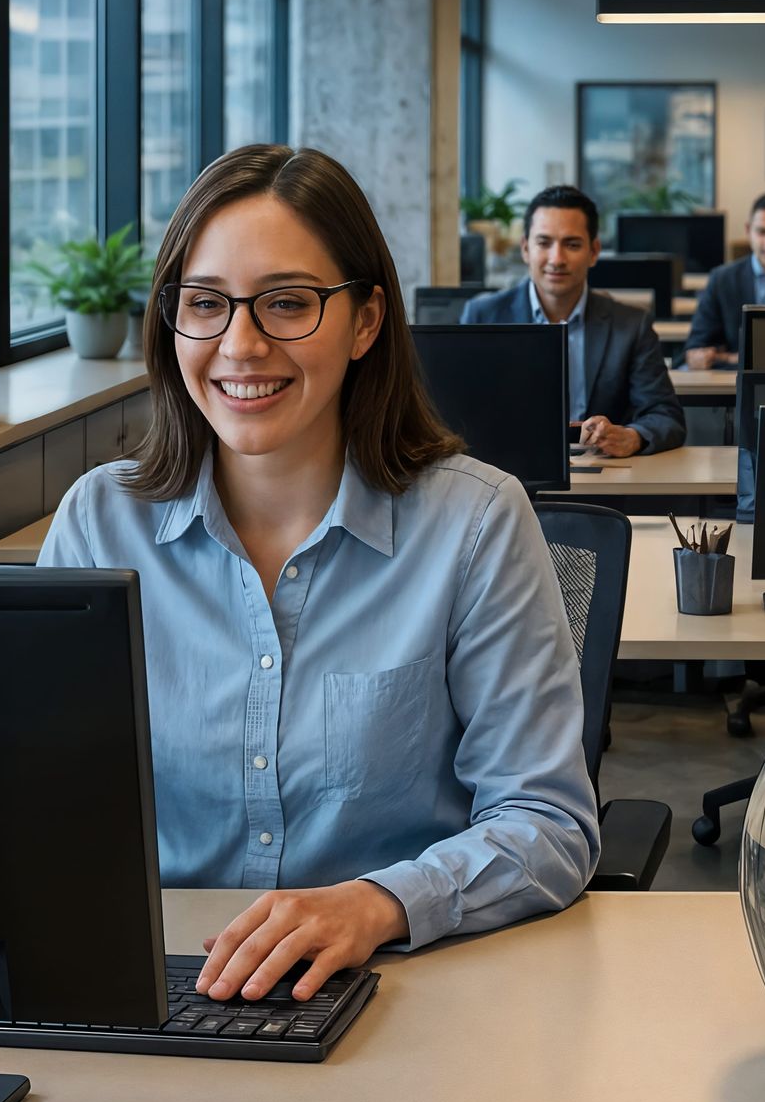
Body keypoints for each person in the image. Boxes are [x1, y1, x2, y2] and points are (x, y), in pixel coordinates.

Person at [39, 145, 599, 1006]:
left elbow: (548, 824)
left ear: (366, 322)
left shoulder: (475, 523)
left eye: (288, 303)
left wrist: (379, 903)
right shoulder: (98, 523)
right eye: (206, 304)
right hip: (158, 988)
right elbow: (42, 804)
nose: (241, 345)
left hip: (404, 988)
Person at [461, 185, 686, 457]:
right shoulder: (482, 316)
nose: (557, 259)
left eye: (572, 244)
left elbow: (665, 415)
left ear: (594, 251)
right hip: (507, 468)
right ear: (525, 249)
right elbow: (457, 412)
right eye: (544, 243)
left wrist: (632, 436)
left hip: (602, 470)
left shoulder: (631, 325)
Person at [683, 189, 765, 369]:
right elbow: (696, 351)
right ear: (748, 230)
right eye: (762, 232)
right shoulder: (722, 279)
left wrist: (728, 358)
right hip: (732, 382)